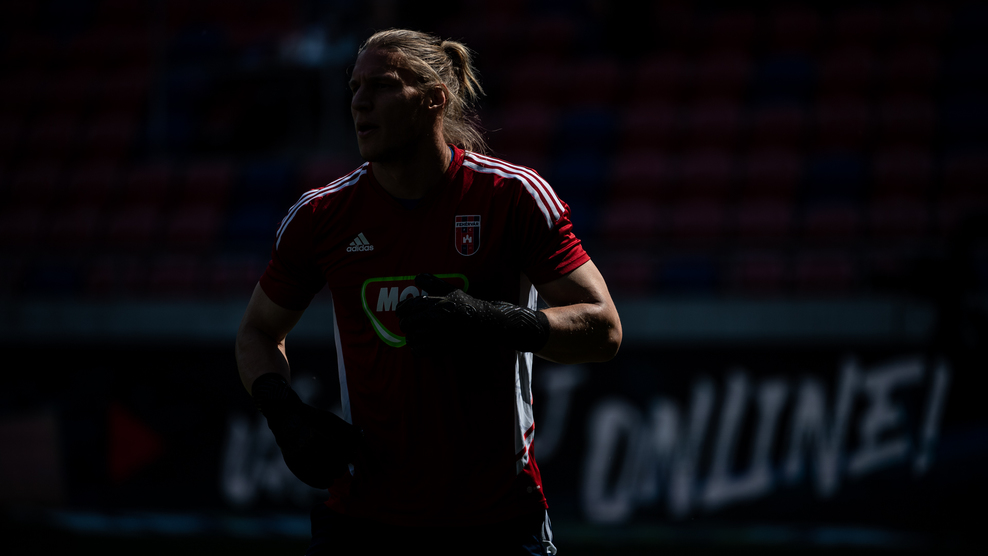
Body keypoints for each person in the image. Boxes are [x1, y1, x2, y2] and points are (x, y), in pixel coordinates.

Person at [235, 28, 622, 555]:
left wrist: (489, 319)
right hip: (362, 519)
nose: (360, 102)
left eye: (382, 86)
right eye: (354, 87)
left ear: (435, 98)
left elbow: (604, 328)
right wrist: (283, 412)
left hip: (498, 520)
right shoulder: (321, 216)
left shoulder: (513, 197)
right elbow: (257, 331)